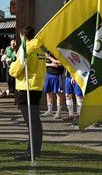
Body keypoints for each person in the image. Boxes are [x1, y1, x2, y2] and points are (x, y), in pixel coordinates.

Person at [9, 26, 46, 161]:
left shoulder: (27, 49)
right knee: (35, 121)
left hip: (26, 88)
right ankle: (36, 150)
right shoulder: (40, 48)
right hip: (36, 87)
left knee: (31, 122)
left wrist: (12, 65)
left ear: (22, 36)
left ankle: (31, 151)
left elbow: (15, 70)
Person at [41, 52, 65, 119]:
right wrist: (51, 64)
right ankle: (50, 111)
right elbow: (42, 63)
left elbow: (61, 62)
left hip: (57, 75)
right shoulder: (47, 52)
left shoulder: (60, 52)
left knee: (59, 94)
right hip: (48, 75)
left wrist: (49, 58)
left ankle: (58, 112)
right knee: (48, 93)